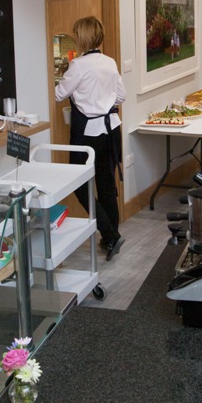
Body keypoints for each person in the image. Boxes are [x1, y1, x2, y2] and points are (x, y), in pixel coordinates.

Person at [54, 16, 127, 260]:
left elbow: (59, 93)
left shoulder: (78, 65)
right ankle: (111, 236)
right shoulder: (109, 61)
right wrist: (101, 100)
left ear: (82, 38)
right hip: (111, 128)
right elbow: (121, 97)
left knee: (79, 185)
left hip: (88, 133)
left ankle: (110, 234)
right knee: (107, 183)